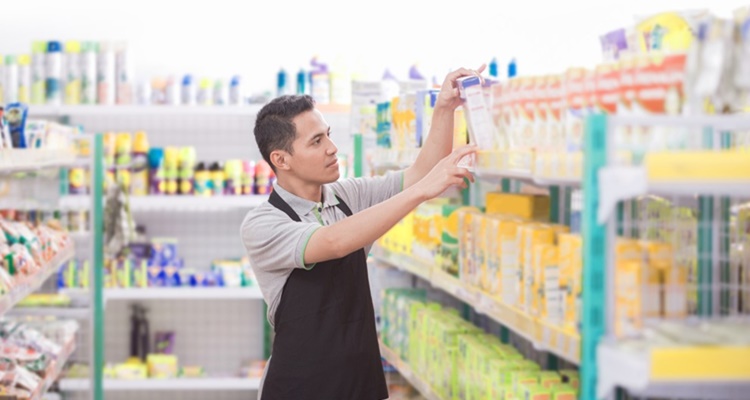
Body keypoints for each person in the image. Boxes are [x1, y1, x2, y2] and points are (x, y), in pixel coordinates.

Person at [241, 65, 484, 400]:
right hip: (298, 388)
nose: (331, 147)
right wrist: (421, 193)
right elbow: (334, 241)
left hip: (360, 383)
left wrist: (445, 108)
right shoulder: (263, 224)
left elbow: (419, 173)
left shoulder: (346, 196)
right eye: (316, 141)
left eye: (328, 134)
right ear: (281, 159)